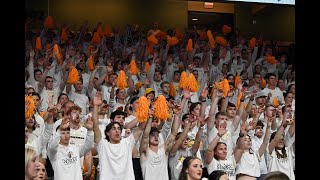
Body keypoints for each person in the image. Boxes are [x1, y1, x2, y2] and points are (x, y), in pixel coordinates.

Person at [92, 91, 146, 180]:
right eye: (113, 128)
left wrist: (144, 111)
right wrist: (95, 106)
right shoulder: (103, 145)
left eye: (118, 129)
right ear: (107, 133)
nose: (117, 131)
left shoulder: (127, 142)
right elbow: (95, 125)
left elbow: (140, 128)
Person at [47, 113, 94, 180]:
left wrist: (90, 131)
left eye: (68, 133)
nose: (66, 136)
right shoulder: (54, 151)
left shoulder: (75, 148)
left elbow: (88, 146)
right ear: (58, 134)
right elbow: (52, 146)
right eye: (63, 133)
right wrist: (59, 129)